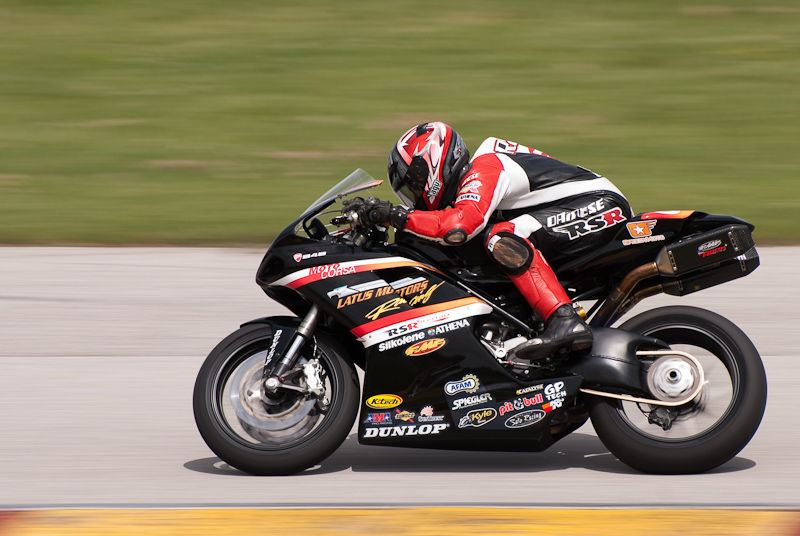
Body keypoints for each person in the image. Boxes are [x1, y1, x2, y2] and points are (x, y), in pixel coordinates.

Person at [357, 122, 633, 362]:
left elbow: (459, 226)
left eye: (414, 185)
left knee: (502, 238)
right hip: (579, 207)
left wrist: (396, 215)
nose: (415, 196)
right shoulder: (477, 175)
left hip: (602, 205)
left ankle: (564, 320)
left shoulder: (484, 167)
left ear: (431, 165)